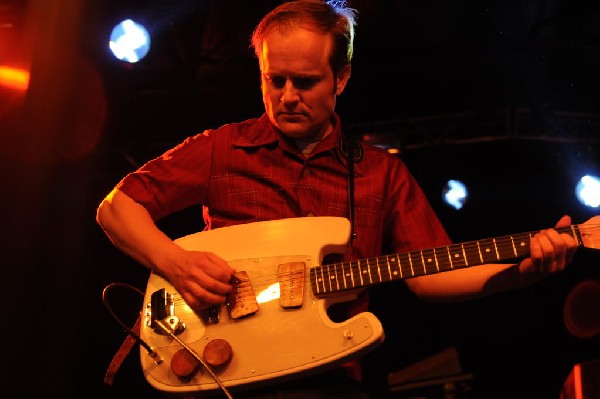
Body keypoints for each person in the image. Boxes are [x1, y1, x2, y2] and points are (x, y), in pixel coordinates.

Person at [96, 1, 585, 397]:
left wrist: (522, 271)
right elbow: (117, 208)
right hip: (225, 368)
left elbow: (430, 277)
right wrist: (176, 263)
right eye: (274, 79)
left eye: (305, 82)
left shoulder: (380, 172)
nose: (287, 96)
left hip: (329, 375)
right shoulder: (224, 147)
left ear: (341, 78)